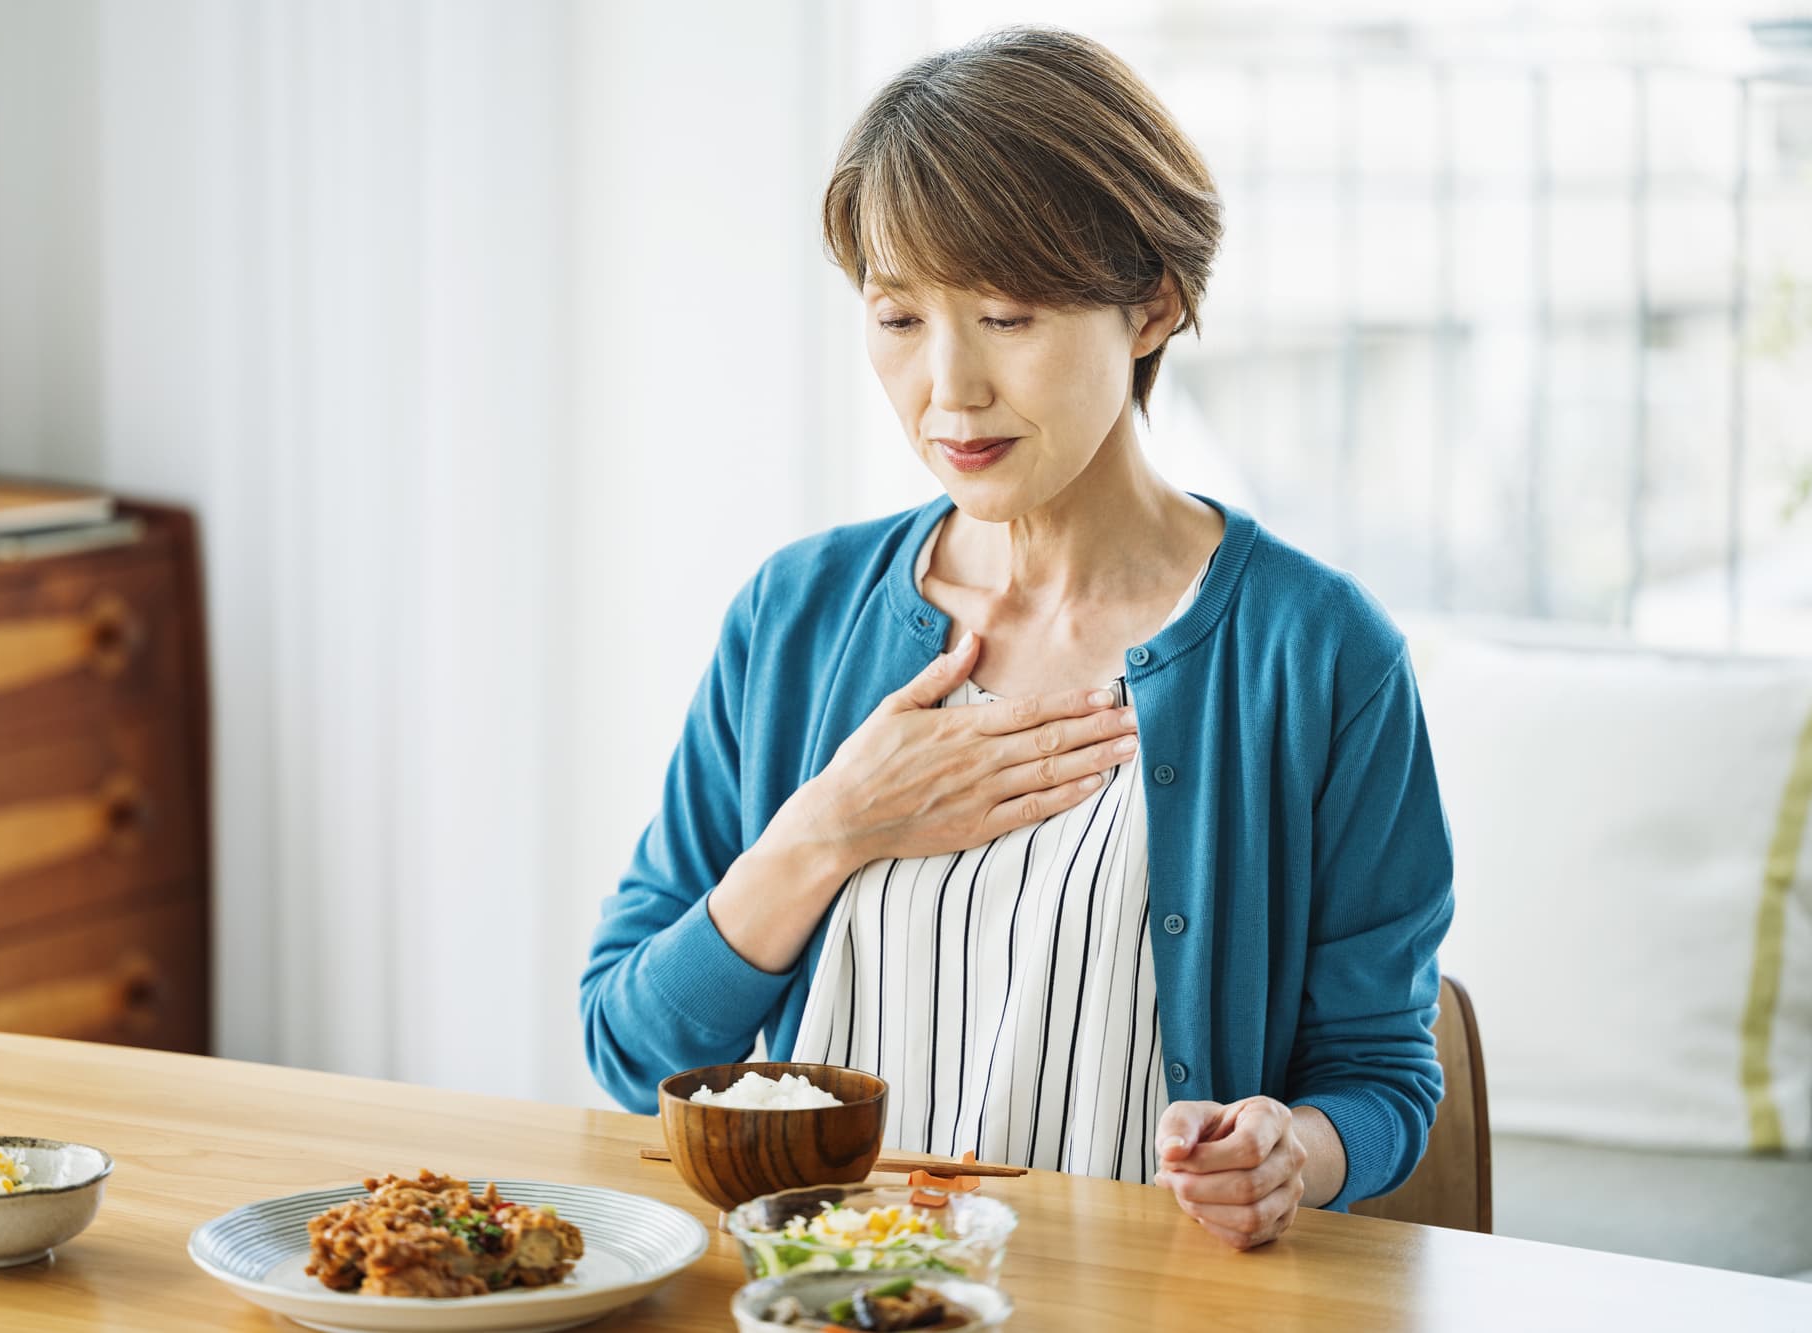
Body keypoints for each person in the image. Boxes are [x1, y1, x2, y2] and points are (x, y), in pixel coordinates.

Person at [580, 25, 1453, 1251]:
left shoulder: (1316, 656)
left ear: (1152, 302)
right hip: (829, 1296)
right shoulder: (793, 616)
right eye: (895, 318)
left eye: (1004, 315)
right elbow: (628, 1046)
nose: (948, 389)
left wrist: (1287, 1153)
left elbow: (1380, 1076)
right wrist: (826, 830)